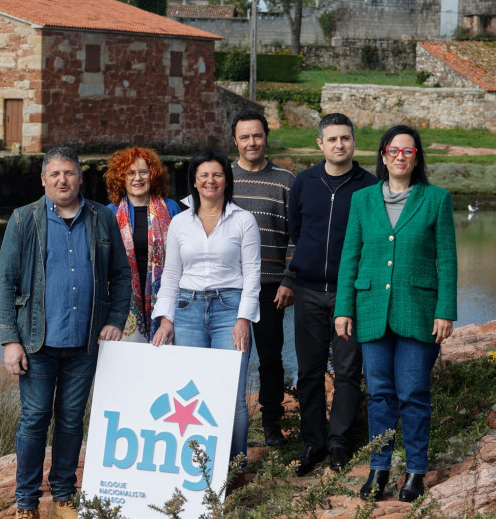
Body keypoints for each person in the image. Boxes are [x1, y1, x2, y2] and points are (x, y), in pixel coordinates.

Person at [0, 146, 130, 519]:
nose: (62, 180)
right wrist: (10, 340)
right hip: (37, 342)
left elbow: (121, 276)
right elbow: (5, 282)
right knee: (35, 420)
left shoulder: (102, 218)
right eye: (54, 174)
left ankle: (64, 499)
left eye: (69, 173)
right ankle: (26, 506)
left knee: (72, 421)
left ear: (79, 177)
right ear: (43, 179)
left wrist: (114, 320)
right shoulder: (24, 220)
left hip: (84, 342)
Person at [334, 125, 457, 502]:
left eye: (409, 151)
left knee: (414, 393)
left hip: (418, 310)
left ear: (416, 158)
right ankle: (379, 469)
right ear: (383, 155)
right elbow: (350, 256)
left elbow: (447, 260)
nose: (400, 156)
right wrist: (343, 308)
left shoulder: (436, 199)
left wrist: (445, 310)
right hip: (371, 309)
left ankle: (415, 472)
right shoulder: (362, 200)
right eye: (394, 150)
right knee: (380, 394)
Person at [152, 148, 261, 466]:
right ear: (194, 182)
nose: (210, 181)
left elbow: (253, 275)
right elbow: (170, 276)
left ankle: (235, 472)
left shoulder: (244, 220)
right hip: (187, 310)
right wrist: (166, 319)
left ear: (226, 180)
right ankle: (197, 470)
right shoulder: (179, 223)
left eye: (217, 174)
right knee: (191, 396)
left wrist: (244, 318)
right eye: (204, 176)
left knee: (232, 396)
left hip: (230, 310)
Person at [287, 113, 377, 475]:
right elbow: (296, 230)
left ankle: (338, 442)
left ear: (354, 141)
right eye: (332, 139)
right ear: (319, 144)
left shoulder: (369, 186)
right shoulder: (304, 182)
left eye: (346, 138)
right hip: (308, 289)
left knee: (347, 371)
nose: (339, 145)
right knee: (308, 371)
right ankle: (313, 442)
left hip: (348, 293)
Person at [230, 109, 296, 447]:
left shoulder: (286, 181)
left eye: (257, 135)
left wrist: (289, 280)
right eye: (245, 137)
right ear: (235, 141)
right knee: (230, 357)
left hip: (271, 286)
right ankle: (227, 424)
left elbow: (296, 235)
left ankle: (271, 424)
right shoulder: (223, 179)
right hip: (230, 288)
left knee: (270, 357)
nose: (251, 142)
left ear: (265, 137)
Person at [104, 147, 181, 342]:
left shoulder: (170, 208)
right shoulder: (109, 213)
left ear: (152, 174)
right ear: (121, 178)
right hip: (123, 301)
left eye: (143, 172)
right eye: (130, 173)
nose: (137, 178)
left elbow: (182, 255)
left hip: (164, 297)